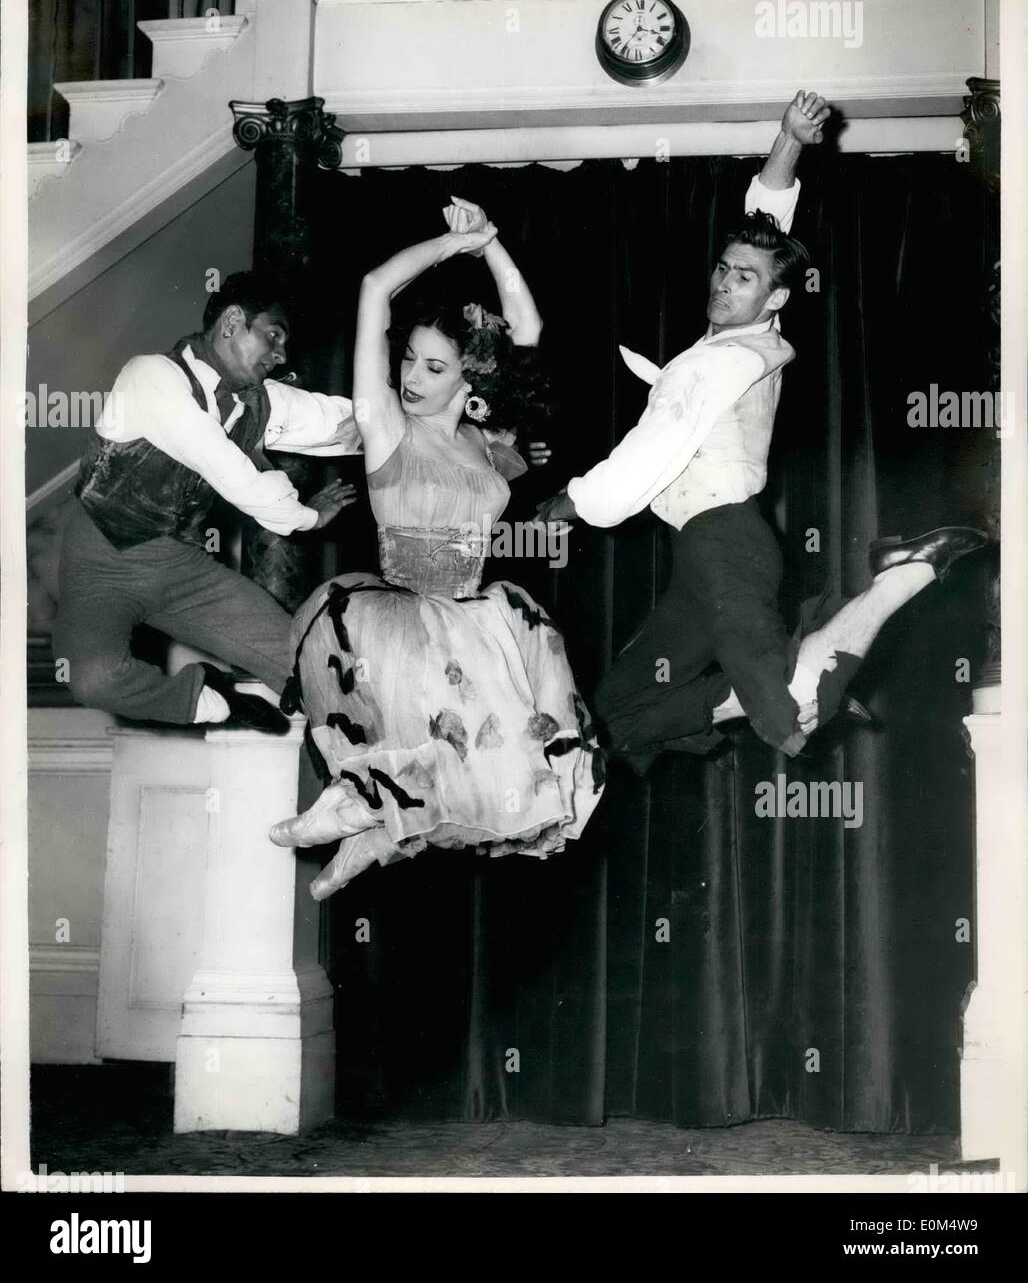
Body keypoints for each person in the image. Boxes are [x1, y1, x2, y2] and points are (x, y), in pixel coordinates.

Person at [536, 91, 987, 767]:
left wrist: (572, 501)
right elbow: (766, 226)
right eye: (721, 268)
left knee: (788, 720)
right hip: (701, 556)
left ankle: (897, 583)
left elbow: (644, 458)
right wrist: (789, 141)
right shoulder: (735, 341)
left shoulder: (721, 365)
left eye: (742, 278)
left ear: (773, 300)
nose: (723, 282)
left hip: (727, 547)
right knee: (617, 711)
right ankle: (800, 677)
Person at [270, 198, 605, 898]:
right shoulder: (388, 427)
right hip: (401, 625)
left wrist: (492, 245)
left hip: (474, 619)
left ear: (470, 378)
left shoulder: (488, 445)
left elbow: (529, 328)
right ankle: (357, 807)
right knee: (441, 752)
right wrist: (453, 247)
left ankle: (373, 835)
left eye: (432, 367)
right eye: (408, 362)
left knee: (499, 768)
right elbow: (373, 290)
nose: (411, 379)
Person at [53, 273, 360, 733]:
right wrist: (308, 517)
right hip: (102, 562)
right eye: (273, 336)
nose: (281, 356)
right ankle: (212, 703)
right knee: (93, 679)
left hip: (182, 567)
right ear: (233, 322)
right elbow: (231, 472)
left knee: (312, 662)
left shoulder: (262, 402)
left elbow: (347, 423)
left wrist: (433, 413)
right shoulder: (150, 376)